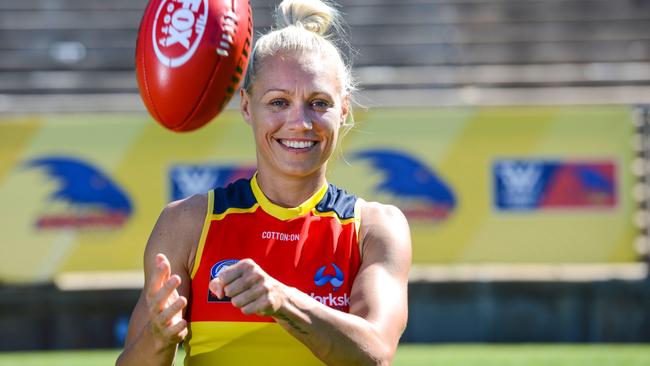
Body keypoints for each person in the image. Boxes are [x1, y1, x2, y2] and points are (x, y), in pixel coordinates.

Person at [116, 0, 411, 364]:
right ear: (245, 106)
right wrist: (158, 337)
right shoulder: (187, 224)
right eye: (278, 102)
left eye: (319, 103)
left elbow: (375, 354)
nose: (300, 122)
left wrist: (283, 301)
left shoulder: (374, 228)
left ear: (344, 108)